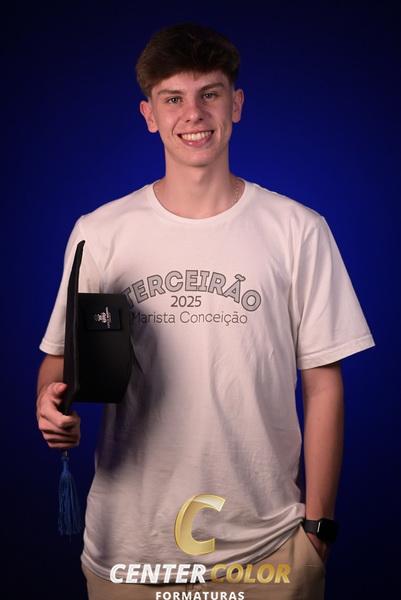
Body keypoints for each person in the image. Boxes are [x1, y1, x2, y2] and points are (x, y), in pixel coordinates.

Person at [36, 22, 375, 599]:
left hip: (267, 550)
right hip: (130, 553)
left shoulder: (297, 230)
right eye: (173, 99)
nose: (193, 114)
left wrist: (317, 531)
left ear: (235, 104)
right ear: (149, 114)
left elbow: (323, 384)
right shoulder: (101, 232)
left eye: (209, 93)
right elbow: (59, 359)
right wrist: (49, 400)